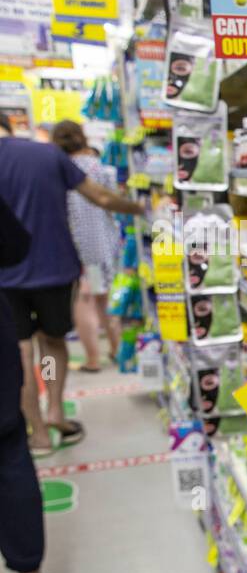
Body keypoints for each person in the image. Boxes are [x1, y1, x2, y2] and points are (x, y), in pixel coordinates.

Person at [0, 111, 144, 457]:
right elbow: (103, 198)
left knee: (22, 351)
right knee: (52, 343)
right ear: (12, 125)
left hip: (6, 278)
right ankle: (55, 412)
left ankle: (37, 434)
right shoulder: (47, 154)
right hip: (54, 270)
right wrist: (142, 209)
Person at [0, 189, 55, 573]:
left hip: (23, 299)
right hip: (44, 284)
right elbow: (14, 244)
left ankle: (47, 416)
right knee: (8, 452)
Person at [52, 121, 122, 372]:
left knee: (85, 303)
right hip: (106, 243)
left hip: (78, 247)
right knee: (107, 300)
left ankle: (93, 358)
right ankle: (117, 349)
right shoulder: (102, 169)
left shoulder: (61, 171)